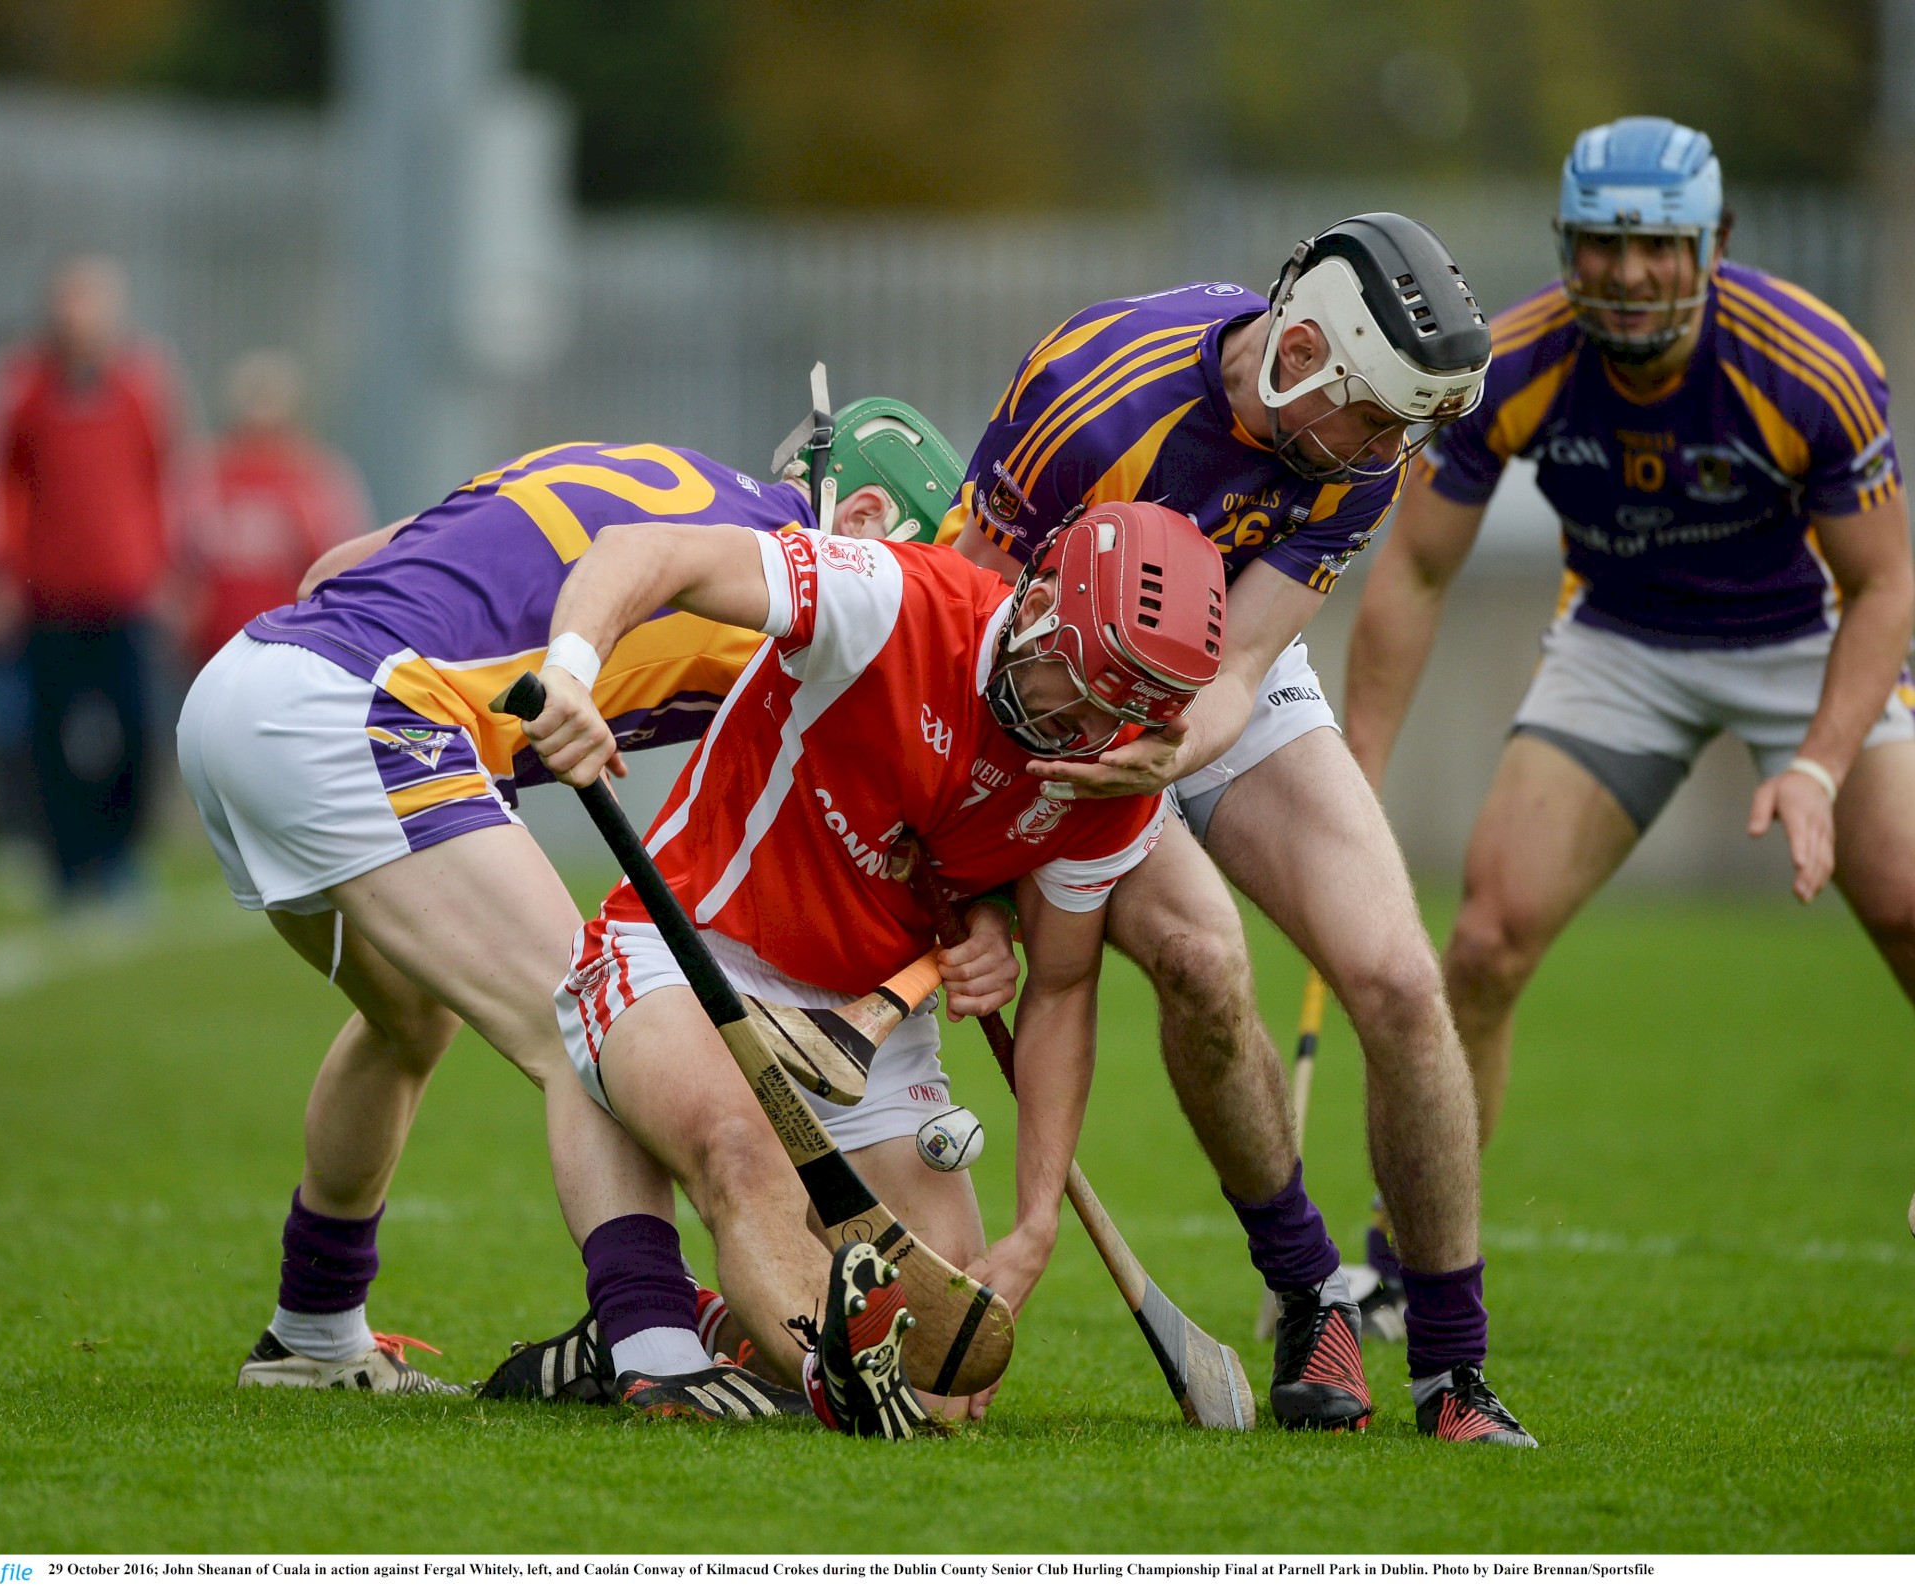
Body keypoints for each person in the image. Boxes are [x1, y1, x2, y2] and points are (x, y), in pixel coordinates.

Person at [178, 405, 1006, 1434]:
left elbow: (335, 568)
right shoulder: (786, 588)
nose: (925, 610)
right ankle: (651, 1340)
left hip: (248, 687)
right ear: (869, 517)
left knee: (408, 1022)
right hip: (365, 713)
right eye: (923, 564)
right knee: (595, 1015)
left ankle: (312, 1334)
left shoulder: (664, 472)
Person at [942, 215, 1536, 1444]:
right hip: (1053, 678)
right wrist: (996, 862)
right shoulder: (1090, 396)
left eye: (1401, 429)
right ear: (1301, 352)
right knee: (1204, 964)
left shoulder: (1363, 446)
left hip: (1213, 676)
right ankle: (1306, 1288)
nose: (1385, 453)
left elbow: (1241, 661)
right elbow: (973, 628)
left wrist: (1172, 752)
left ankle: (1451, 1371)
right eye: (1373, 420)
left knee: (1397, 978)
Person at [519, 498, 1226, 1438]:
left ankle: (727, 1329)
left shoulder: (1110, 778)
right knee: (746, 1155)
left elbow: (1061, 987)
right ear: (1041, 598)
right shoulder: (893, 601)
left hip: (876, 1021)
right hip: (688, 946)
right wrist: (571, 671)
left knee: (946, 1378)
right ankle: (823, 1375)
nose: (1078, 730)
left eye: (1116, 717)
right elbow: (649, 549)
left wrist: (1037, 1222)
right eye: (1073, 685)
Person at [1343, 118, 1914, 1146]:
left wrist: (1820, 767)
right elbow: (1415, 566)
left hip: (1805, 639)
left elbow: (1882, 587)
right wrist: (1358, 775)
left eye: (1658, 245)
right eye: (1601, 243)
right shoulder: (1507, 363)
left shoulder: (1812, 364)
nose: (1628, 272)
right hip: (1621, 643)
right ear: (1567, 247)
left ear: (1712, 246)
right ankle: (1410, 1261)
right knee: (1480, 944)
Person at [0, 256, 200, 905]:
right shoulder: (23, 386)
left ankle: (121, 857)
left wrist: (171, 571)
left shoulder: (144, 383)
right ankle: (66, 866)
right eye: (72, 302)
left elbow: (168, 481)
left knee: (134, 732)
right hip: (46, 596)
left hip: (127, 595)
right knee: (47, 735)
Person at [177, 349, 371, 668]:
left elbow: (343, 569)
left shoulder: (316, 477)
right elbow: (179, 565)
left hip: (291, 652)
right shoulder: (205, 474)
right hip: (213, 651)